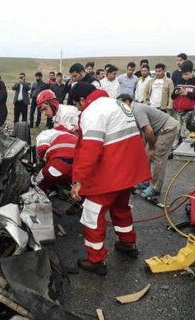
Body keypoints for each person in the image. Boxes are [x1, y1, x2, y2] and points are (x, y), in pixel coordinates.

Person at [69, 82, 150, 276]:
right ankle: (127, 243)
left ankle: (95, 260)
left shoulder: (93, 111)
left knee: (92, 214)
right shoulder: (115, 103)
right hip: (129, 171)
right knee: (121, 208)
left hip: (111, 174)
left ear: (82, 100)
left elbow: (90, 150)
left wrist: (78, 181)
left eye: (77, 105)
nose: (79, 109)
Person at [118, 94, 178, 198]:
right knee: (146, 156)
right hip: (157, 130)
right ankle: (147, 181)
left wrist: (151, 148)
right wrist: (142, 150)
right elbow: (144, 132)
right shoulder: (131, 112)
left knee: (156, 156)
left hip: (168, 128)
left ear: (128, 101)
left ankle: (155, 188)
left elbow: (148, 130)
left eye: (121, 104)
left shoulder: (137, 110)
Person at [171, 61, 195, 146]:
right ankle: (173, 149)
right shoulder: (179, 81)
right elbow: (172, 96)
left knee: (185, 133)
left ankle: (185, 149)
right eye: (183, 74)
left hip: (189, 112)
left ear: (191, 72)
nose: (184, 76)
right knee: (176, 132)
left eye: (186, 74)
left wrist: (187, 94)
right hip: (177, 112)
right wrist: (176, 93)